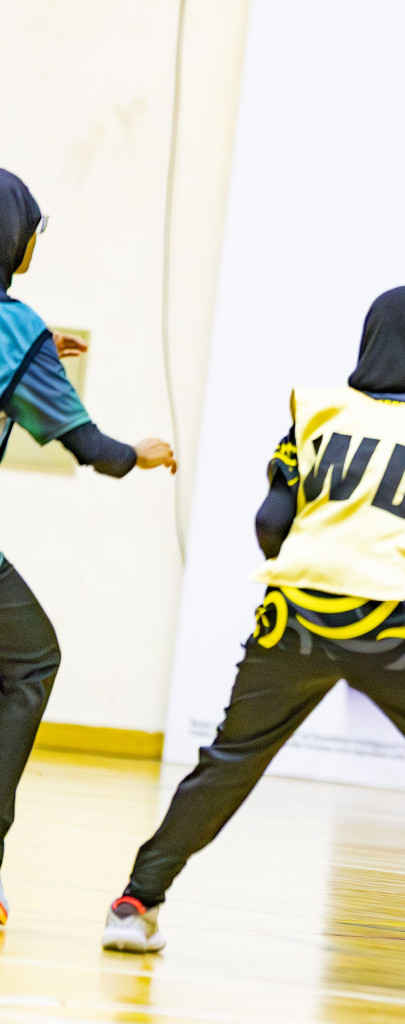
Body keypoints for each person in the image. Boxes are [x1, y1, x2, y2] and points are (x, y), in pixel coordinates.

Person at [100, 286, 405, 996]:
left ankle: (134, 904)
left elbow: (269, 526)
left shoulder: (315, 410)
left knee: (230, 759)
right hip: (394, 628)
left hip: (292, 617)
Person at [0, 170, 176, 926]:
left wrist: (42, 350)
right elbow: (91, 448)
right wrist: (141, 452)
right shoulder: (16, 332)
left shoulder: (25, 335)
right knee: (31, 659)